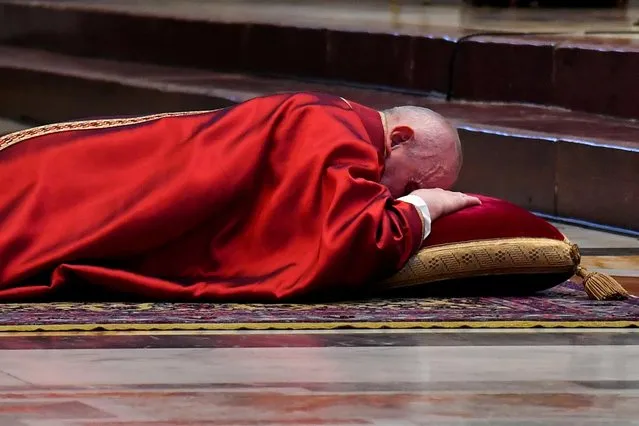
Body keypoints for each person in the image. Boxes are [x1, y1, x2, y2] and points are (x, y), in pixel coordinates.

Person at [0, 92, 479, 302]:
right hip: (110, 185)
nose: (402, 196)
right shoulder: (335, 134)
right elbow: (349, 240)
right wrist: (426, 210)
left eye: (421, 192)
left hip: (110, 170)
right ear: (398, 138)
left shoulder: (338, 125)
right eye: (414, 184)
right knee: (44, 223)